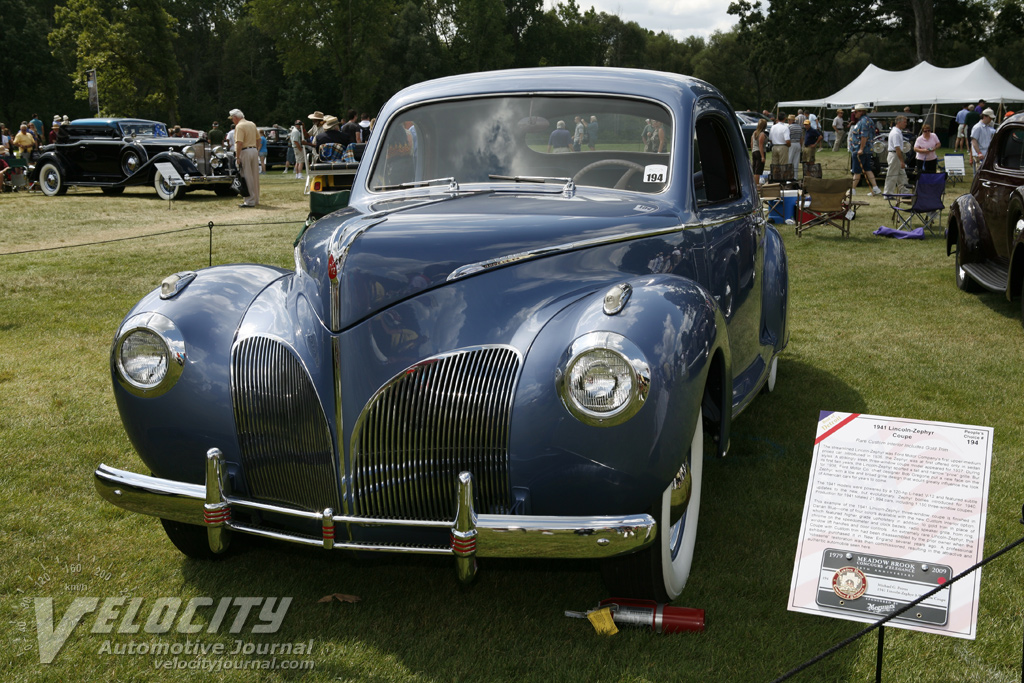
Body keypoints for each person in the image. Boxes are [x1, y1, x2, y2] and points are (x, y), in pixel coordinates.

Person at [849, 104, 882, 195]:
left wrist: (861, 149)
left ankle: (852, 190)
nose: (854, 114)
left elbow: (864, 136)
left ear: (861, 111)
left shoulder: (863, 121)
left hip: (860, 150)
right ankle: (875, 188)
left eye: (855, 112)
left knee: (857, 171)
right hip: (867, 150)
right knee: (867, 169)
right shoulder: (868, 120)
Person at [229, 108, 259, 207]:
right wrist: (256, 150)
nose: (232, 121)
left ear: (235, 117)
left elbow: (239, 142)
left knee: (246, 176)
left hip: (245, 151)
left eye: (232, 119)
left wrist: (237, 157)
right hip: (254, 150)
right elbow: (258, 140)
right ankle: (255, 199)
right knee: (255, 176)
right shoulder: (252, 124)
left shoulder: (239, 126)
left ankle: (249, 200)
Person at [884, 115, 909, 194]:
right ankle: (888, 193)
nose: (906, 124)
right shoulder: (895, 133)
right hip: (895, 155)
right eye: (904, 122)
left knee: (902, 175)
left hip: (896, 155)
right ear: (899, 122)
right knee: (892, 175)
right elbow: (897, 148)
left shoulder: (898, 132)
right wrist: (901, 161)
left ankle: (905, 192)